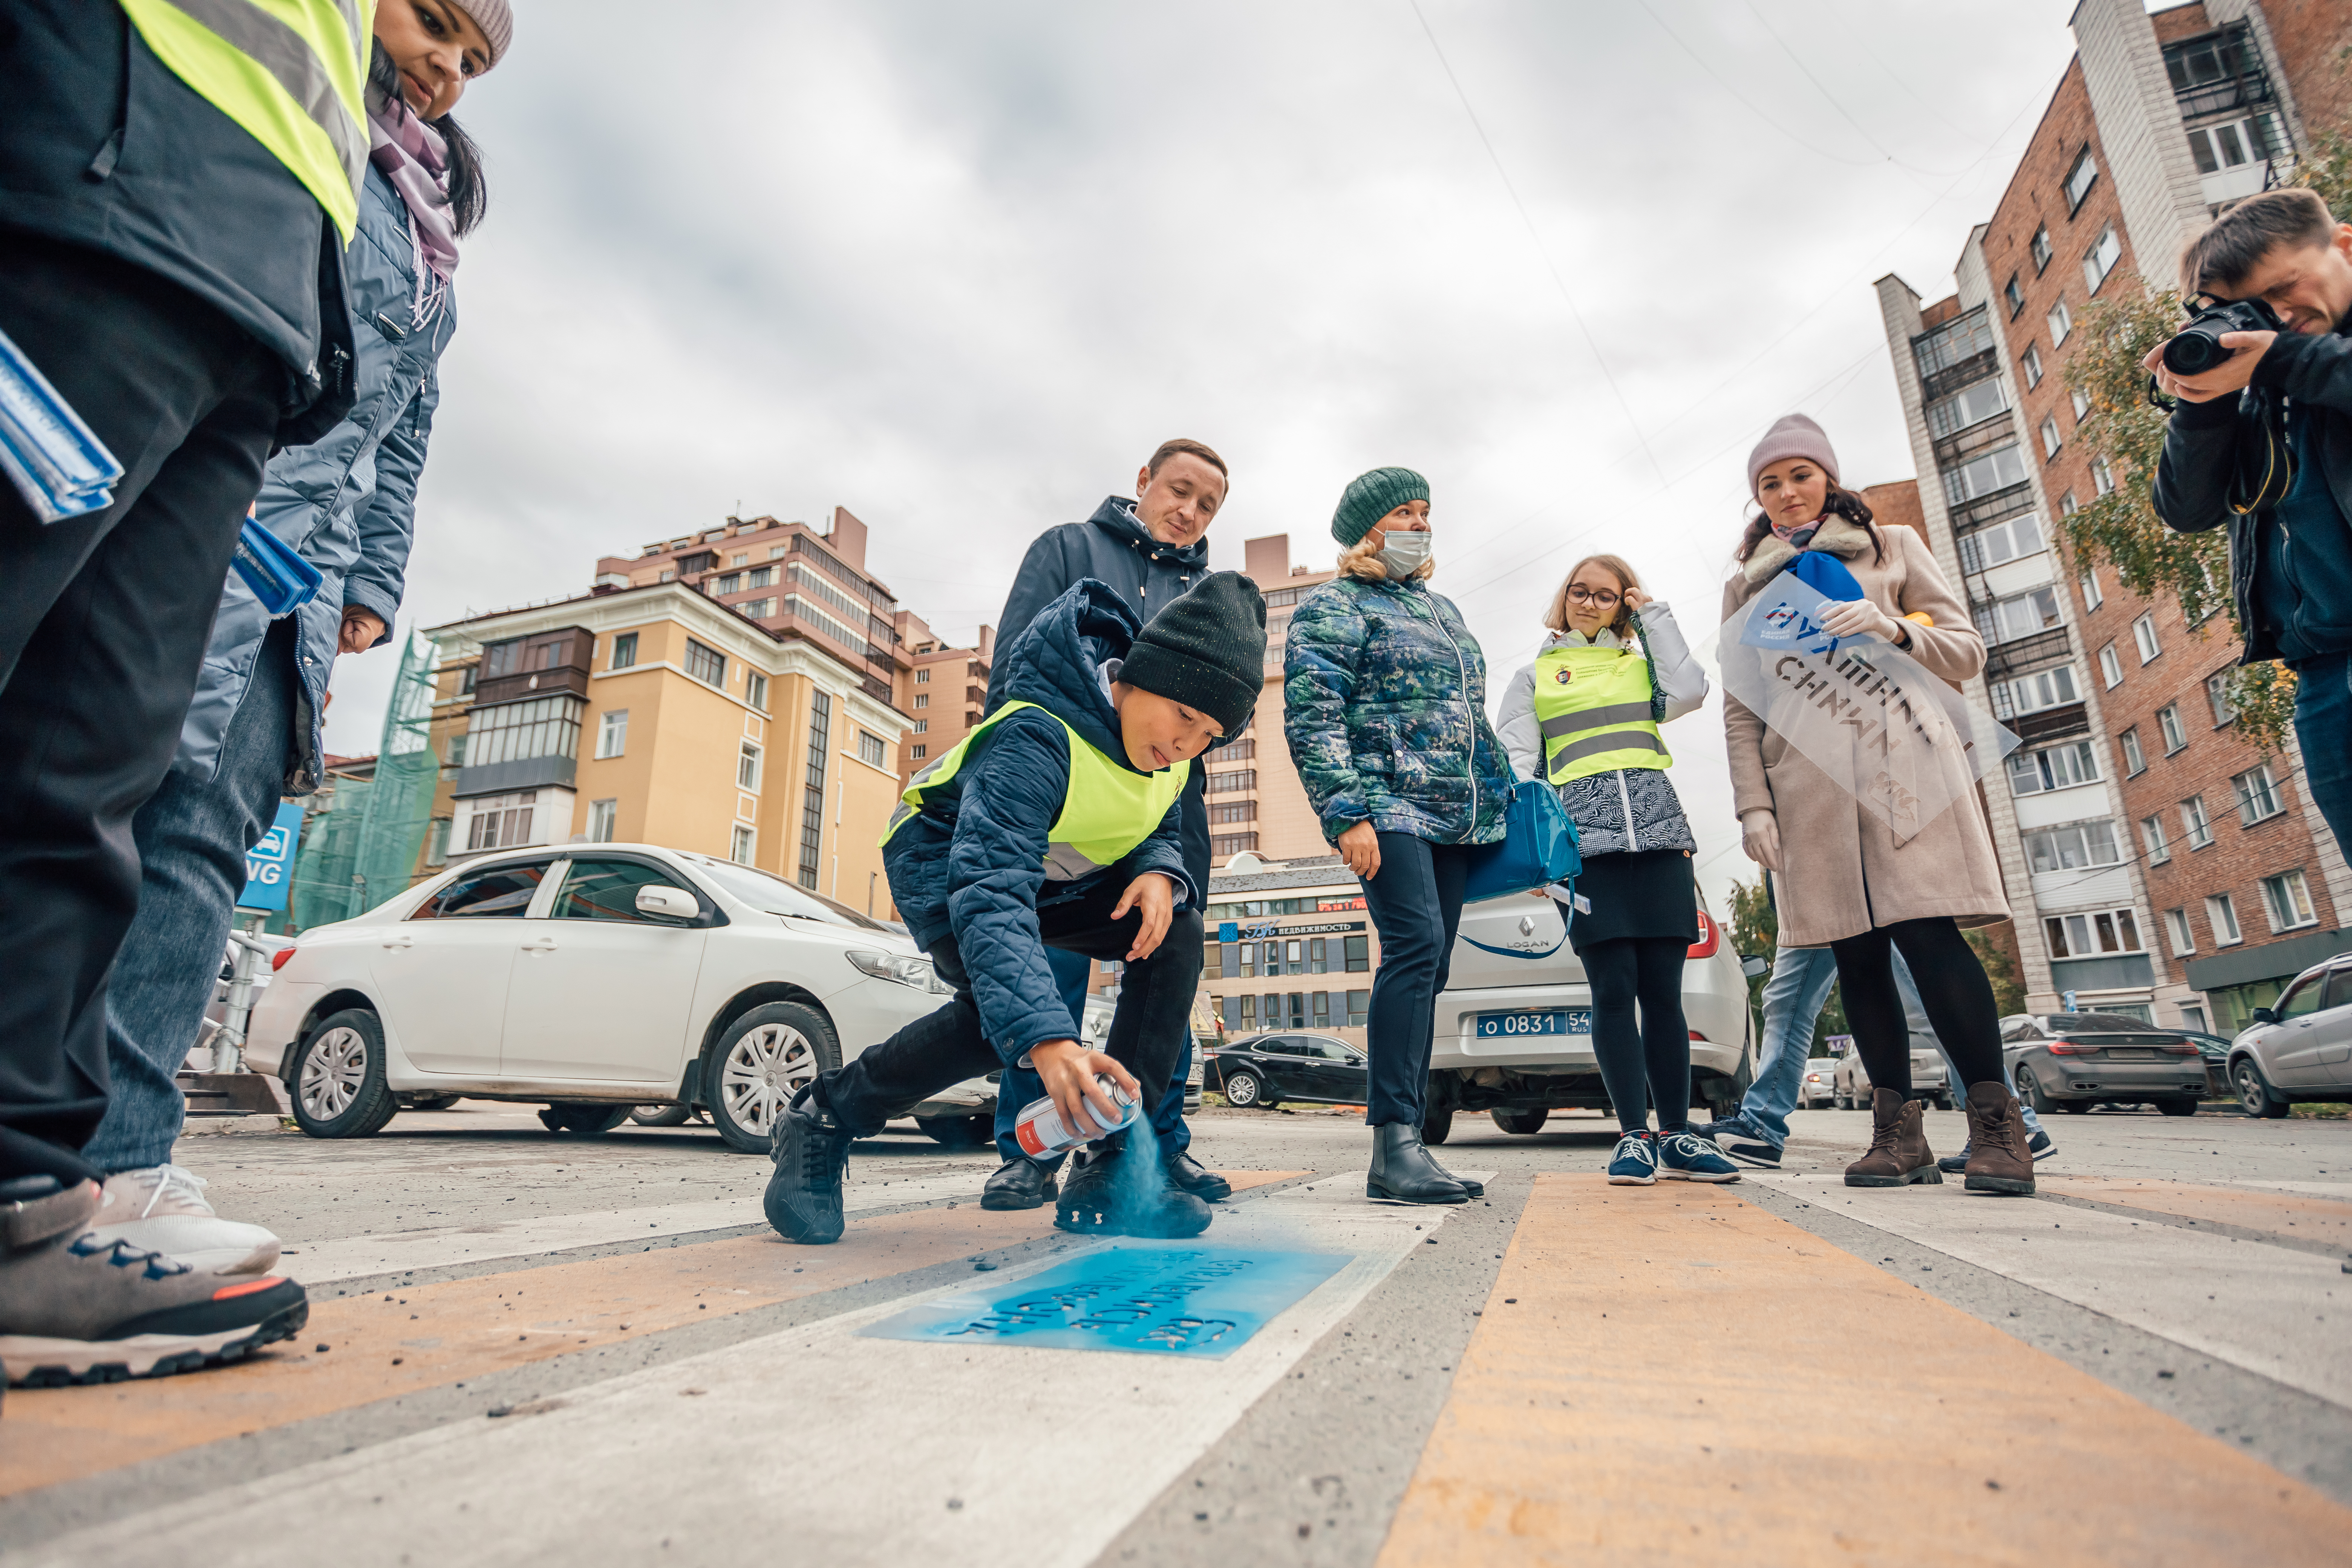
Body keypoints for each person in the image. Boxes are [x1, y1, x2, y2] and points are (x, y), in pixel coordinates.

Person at [0, 0, 457, 1382]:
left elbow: (409, 425)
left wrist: (368, 571)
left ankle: (36, 1193)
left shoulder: (408, 221)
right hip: (101, 193)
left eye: (475, 60)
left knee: (107, 778)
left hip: (254, 330)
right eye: (442, 27)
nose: (448, 68)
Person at [764, 575, 1267, 1244]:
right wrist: (1048, 1042)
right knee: (995, 1026)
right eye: (1183, 716)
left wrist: (1156, 871)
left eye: (1209, 735)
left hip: (1054, 880)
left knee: (1176, 929)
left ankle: (1112, 1167)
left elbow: (1160, 820)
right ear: (1144, 676)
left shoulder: (1170, 755)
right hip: (954, 871)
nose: (1187, 746)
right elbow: (992, 888)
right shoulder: (1036, 739)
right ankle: (824, 1116)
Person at [1723, 415, 2036, 1195]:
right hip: (1808, 792)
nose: (1788, 493)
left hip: (1906, 771)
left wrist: (1895, 627)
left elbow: (1967, 647)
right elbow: (1741, 708)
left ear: (1827, 478)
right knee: (1855, 954)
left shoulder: (1893, 545)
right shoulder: (1746, 584)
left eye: (1801, 475)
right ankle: (1897, 1137)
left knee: (1931, 941)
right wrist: (1753, 807)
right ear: (1758, 498)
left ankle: (1999, 1130)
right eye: (1771, 483)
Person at [978, 439, 1232, 1213]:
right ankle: (1030, 1153)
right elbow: (1020, 667)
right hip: (1068, 797)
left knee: (1168, 964)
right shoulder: (1069, 548)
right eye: (1179, 491)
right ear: (1143, 483)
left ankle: (1148, 1145)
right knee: (1049, 962)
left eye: (1207, 505)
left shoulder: (1211, 591)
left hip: (1167, 809)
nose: (1189, 512)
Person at [1285, 469, 1516, 1205]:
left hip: (1453, 811)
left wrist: (1507, 791)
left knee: (1433, 964)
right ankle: (1395, 1144)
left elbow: (1470, 715)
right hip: (1387, 806)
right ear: (1366, 529)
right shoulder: (1334, 605)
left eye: (1426, 511)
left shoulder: (1438, 607)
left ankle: (1410, 1139)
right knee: (1415, 948)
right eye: (1403, 513)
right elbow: (1313, 711)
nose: (1420, 523)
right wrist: (1344, 810)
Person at [1497, 557, 1738, 1186]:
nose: (1589, 602)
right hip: (1585, 850)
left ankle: (1678, 1138)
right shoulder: (1533, 677)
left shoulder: (1642, 664)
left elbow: (1689, 692)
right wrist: (1531, 849)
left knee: (1664, 995)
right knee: (1612, 991)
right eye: (1580, 591)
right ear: (1565, 597)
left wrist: (1654, 614)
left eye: (1605, 596)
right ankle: (1633, 1137)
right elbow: (1517, 764)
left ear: (1622, 606)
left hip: (1659, 838)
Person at [2148, 188, 2352, 853]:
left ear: (2344, 247)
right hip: (2323, 673)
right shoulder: (2266, 387)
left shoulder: (2301, 361)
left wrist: (2278, 357)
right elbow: (2187, 507)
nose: (2282, 315)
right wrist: (2203, 404)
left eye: (2287, 287)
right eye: (2259, 309)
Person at [1699, 942, 2054, 1170]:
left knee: (1922, 1001)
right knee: (1786, 1001)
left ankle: (2011, 1123)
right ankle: (1762, 1124)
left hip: (1852, 867)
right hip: (1807, 881)